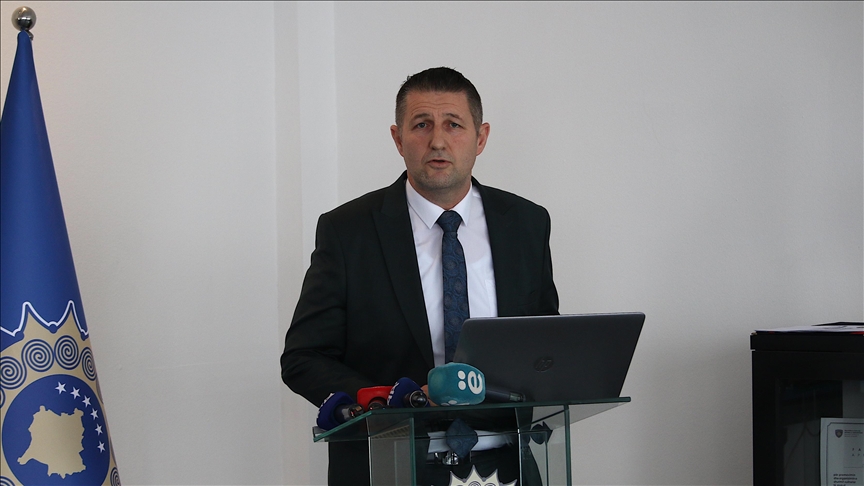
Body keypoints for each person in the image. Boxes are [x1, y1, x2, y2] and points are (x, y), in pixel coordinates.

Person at [280, 67, 559, 485]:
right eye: (422, 125)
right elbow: (304, 357)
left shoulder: (526, 224)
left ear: (481, 138)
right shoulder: (348, 231)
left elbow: (544, 346)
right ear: (398, 139)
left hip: (507, 466)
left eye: (454, 125)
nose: (438, 141)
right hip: (388, 464)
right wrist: (394, 403)